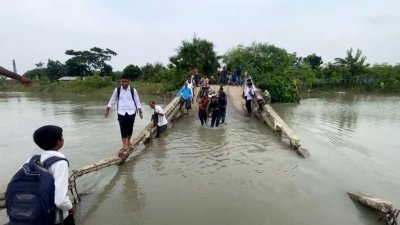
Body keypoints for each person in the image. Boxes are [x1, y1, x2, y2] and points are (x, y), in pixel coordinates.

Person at [30, 125, 75, 224]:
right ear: (59, 142)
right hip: (56, 218)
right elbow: (60, 201)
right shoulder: (60, 163)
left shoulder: (33, 160)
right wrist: (71, 208)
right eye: (62, 136)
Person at [104, 75, 143, 153]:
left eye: (125, 81)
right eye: (122, 82)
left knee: (130, 127)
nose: (123, 83)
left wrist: (140, 112)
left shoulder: (133, 90)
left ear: (128, 82)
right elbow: (112, 100)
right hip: (121, 112)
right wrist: (107, 110)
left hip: (131, 111)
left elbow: (137, 101)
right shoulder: (117, 90)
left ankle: (129, 142)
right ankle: (124, 145)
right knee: (122, 128)